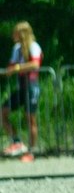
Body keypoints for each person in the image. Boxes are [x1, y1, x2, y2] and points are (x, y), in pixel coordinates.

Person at [5, 22, 42, 161]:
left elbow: (35, 64)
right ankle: (17, 142)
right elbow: (11, 65)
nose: (13, 35)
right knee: (3, 111)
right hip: (21, 86)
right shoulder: (17, 48)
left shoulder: (34, 46)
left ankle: (31, 151)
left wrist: (18, 67)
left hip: (32, 85)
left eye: (15, 32)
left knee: (30, 118)